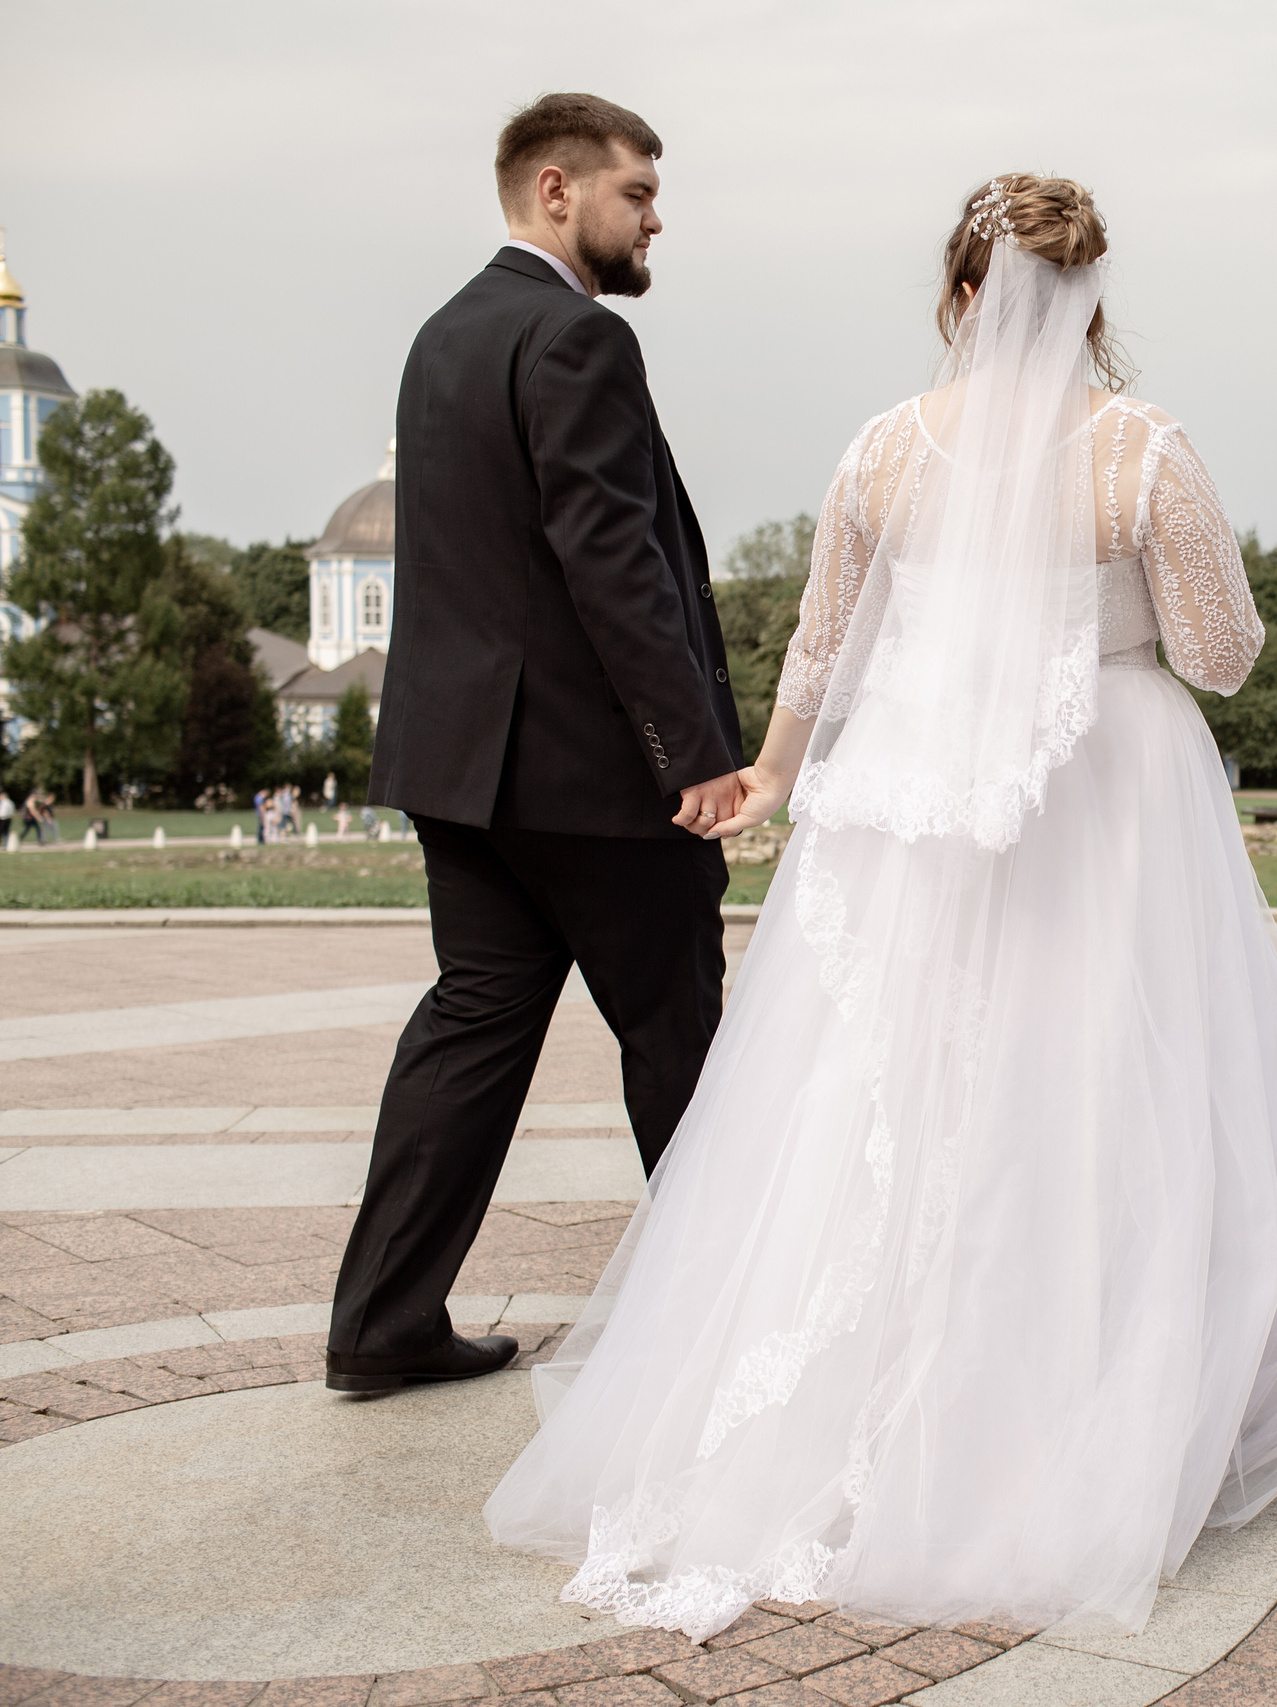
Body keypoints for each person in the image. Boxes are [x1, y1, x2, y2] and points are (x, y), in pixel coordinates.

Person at [484, 173, 1277, 1642]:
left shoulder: (883, 451)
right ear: (1087, 304)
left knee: (886, 1087)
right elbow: (1222, 653)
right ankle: (1081, 1363)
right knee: (1099, 1068)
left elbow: (822, 646)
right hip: (1106, 789)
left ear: (959, 294)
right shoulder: (1143, 450)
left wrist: (773, 774)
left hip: (904, 799)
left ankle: (874, 1384)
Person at [328, 95, 748, 1398]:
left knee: (472, 1027)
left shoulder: (444, 334)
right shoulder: (578, 336)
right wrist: (690, 749)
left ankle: (382, 1322)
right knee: (680, 1035)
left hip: (461, 771)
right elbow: (611, 559)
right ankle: (726, 1318)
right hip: (590, 778)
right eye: (638, 194)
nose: (656, 219)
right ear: (558, 190)